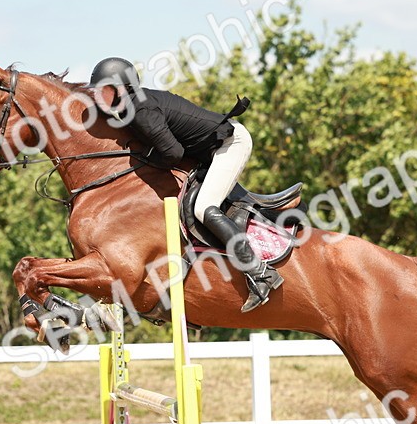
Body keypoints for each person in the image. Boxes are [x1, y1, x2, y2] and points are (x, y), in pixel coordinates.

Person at [85, 57, 283, 312]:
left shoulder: (140, 111)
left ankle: (261, 272)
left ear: (121, 88)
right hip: (206, 152)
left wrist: (141, 160)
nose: (97, 96)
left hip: (230, 145)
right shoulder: (130, 108)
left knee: (204, 208)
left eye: (103, 90)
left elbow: (173, 154)